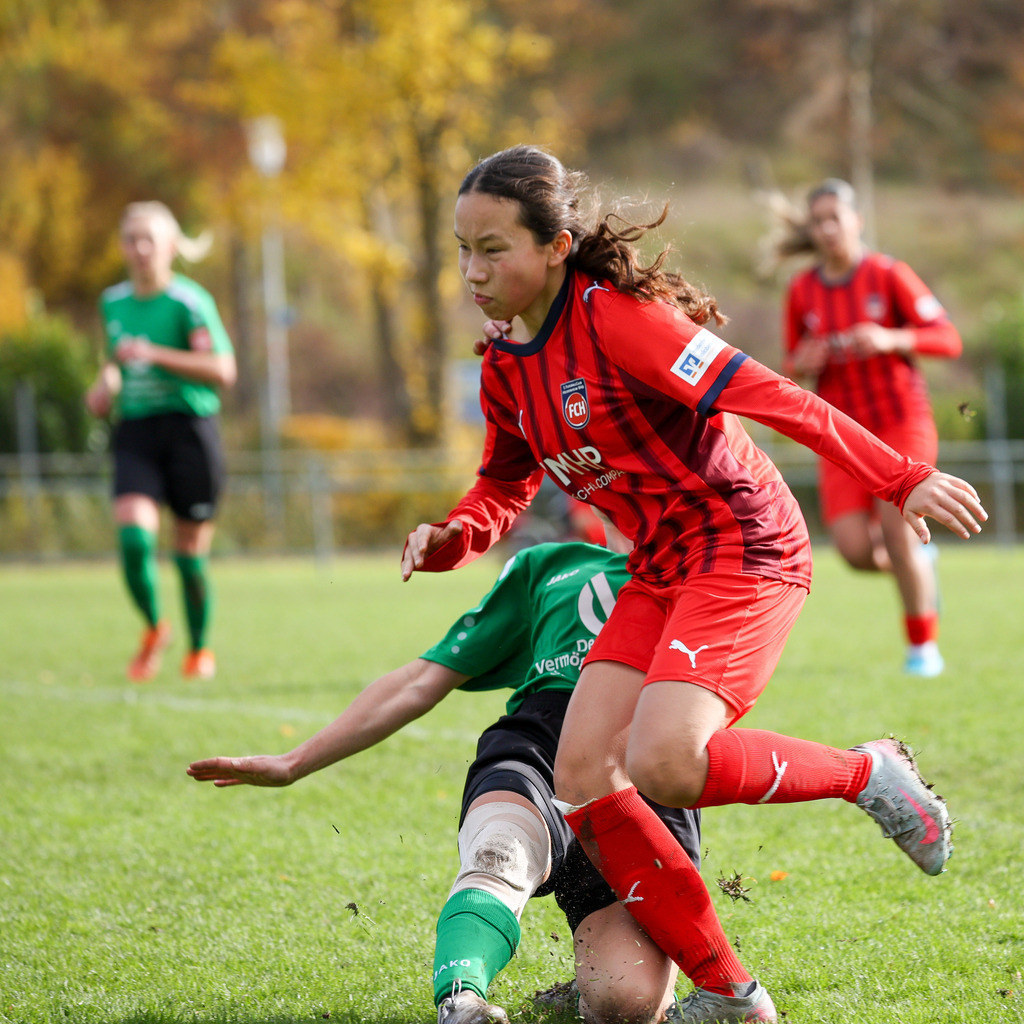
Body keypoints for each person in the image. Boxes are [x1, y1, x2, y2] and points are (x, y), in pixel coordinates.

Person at [400, 145, 987, 1024]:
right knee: (584, 772)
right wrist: (456, 537)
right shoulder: (503, 363)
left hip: (743, 544)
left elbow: (775, 396)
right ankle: (730, 997)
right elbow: (505, 482)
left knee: (665, 761)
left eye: (494, 250)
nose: (472, 273)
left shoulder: (619, 322)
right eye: (462, 250)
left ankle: (867, 774)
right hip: (661, 565)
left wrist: (898, 475)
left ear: (557, 246)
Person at [188, 525, 702, 1024]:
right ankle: (461, 1002)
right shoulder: (547, 567)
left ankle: (588, 985)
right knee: (500, 850)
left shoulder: (707, 575)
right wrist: (294, 762)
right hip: (542, 738)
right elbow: (420, 680)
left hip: (641, 765)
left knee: (625, 1004)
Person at [778, 178, 963, 677]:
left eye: (835, 217)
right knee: (856, 553)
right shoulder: (803, 290)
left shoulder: (888, 274)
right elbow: (789, 366)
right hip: (840, 430)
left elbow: (948, 339)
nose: (827, 228)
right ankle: (920, 571)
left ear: (857, 220)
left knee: (897, 530)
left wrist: (889, 338)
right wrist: (804, 359)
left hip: (901, 420)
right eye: (818, 221)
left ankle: (923, 649)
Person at [85, 202, 236, 683]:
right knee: (132, 537)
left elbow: (222, 371)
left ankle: (198, 650)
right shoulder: (113, 303)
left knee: (189, 557)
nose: (140, 248)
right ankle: (154, 628)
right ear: (122, 247)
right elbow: (112, 361)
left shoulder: (189, 302)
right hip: (137, 432)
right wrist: (105, 384)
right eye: (131, 239)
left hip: (190, 429)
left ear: (171, 247)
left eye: (150, 239)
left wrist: (155, 354)